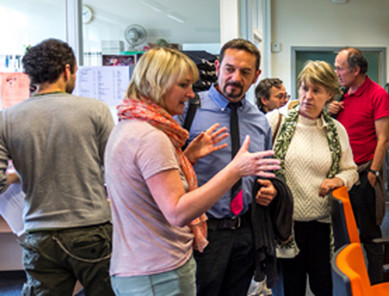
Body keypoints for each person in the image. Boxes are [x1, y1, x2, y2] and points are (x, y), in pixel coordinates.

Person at [104, 46, 280, 296]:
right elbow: (176, 210)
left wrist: (187, 158)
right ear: (159, 83)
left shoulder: (130, 126)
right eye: (184, 85)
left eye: (245, 71)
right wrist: (233, 171)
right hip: (168, 259)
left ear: (256, 75)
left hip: (239, 231)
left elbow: (158, 180)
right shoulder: (154, 135)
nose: (190, 93)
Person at [0, 38, 115, 295]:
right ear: (67, 70)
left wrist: (18, 176)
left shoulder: (6, 118)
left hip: (40, 237)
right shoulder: (96, 110)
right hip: (92, 230)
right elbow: (116, 170)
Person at [175, 38, 278, 296]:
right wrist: (189, 155)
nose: (235, 77)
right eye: (230, 69)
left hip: (245, 231)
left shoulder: (259, 121)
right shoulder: (187, 110)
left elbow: (263, 174)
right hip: (202, 232)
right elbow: (167, 172)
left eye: (245, 72)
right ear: (218, 67)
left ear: (256, 76)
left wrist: (267, 189)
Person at [267, 60, 358, 296]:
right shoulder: (275, 122)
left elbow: (350, 170)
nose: (308, 96)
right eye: (304, 88)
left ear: (329, 94)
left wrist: (338, 180)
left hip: (322, 227)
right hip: (286, 226)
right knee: (289, 289)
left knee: (324, 288)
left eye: (316, 90)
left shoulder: (335, 131)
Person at [329, 47, 389, 284]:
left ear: (356, 70)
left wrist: (373, 175)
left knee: (370, 236)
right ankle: (352, 283)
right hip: (341, 175)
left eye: (340, 68)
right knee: (344, 236)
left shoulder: (377, 94)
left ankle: (377, 284)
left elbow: (383, 139)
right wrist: (330, 111)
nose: (336, 72)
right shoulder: (341, 94)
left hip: (365, 172)